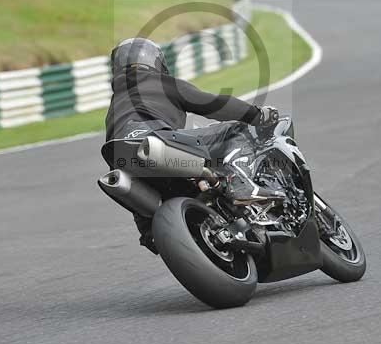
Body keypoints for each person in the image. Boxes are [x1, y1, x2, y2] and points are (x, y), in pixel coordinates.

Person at [104, 37, 284, 251]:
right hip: (159, 141)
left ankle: (160, 228)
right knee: (236, 130)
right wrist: (256, 115)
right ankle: (241, 186)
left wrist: (147, 229)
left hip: (123, 157)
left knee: (130, 176)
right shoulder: (161, 83)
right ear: (156, 62)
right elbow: (212, 104)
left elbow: (130, 187)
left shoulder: (114, 106)